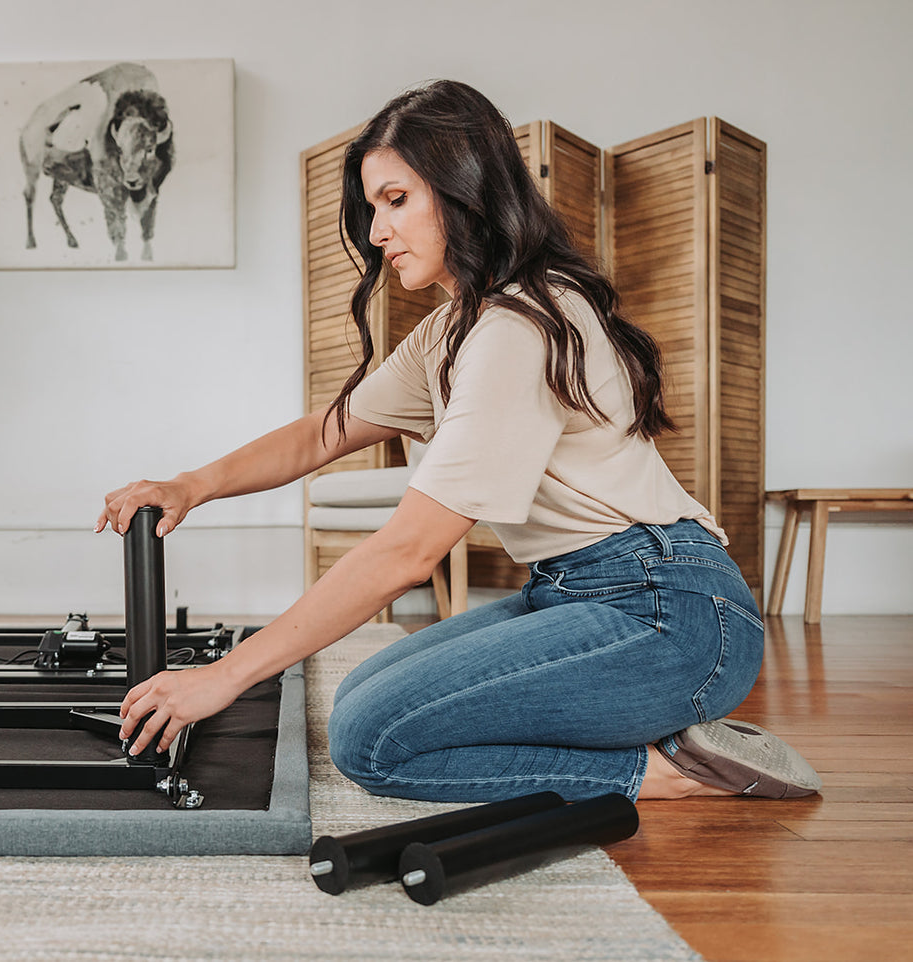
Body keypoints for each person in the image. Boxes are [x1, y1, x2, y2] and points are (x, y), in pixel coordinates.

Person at [96, 80, 820, 803]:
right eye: (371, 207)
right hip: (573, 591)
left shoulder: (516, 328)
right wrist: (189, 485)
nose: (376, 232)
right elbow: (325, 432)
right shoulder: (456, 326)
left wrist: (224, 676)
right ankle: (644, 723)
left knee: (371, 740)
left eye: (396, 199)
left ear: (464, 187)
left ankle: (669, 772)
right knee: (365, 691)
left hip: (670, 614)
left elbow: (409, 550)